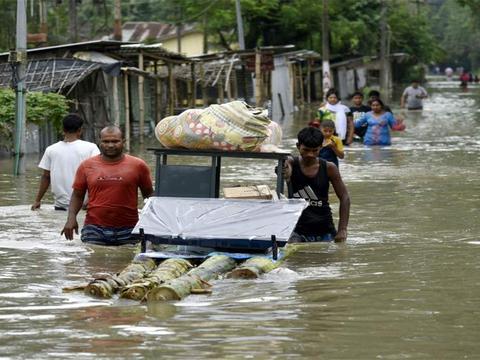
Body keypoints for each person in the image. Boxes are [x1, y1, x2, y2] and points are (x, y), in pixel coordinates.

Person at [61, 125, 153, 246]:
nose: (110, 145)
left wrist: (153, 224)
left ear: (123, 142)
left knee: (126, 263)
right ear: (100, 142)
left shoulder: (138, 165)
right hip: (94, 229)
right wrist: (71, 219)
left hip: (129, 229)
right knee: (93, 262)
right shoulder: (86, 166)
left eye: (115, 141)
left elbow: (149, 196)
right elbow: (77, 195)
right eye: (106, 141)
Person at [283, 127, 350, 243]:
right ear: (298, 146)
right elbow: (285, 164)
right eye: (306, 150)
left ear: (321, 148)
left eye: (315, 150)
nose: (310, 154)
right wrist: (285, 171)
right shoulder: (291, 163)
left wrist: (342, 229)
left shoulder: (329, 168)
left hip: (325, 229)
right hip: (297, 230)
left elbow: (344, 197)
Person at [31, 114, 100, 211]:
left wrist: (37, 200)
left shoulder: (51, 150)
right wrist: (90, 199)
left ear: (62, 129)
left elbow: (46, 177)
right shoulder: (91, 148)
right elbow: (97, 176)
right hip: (84, 206)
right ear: (80, 130)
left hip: (60, 206)